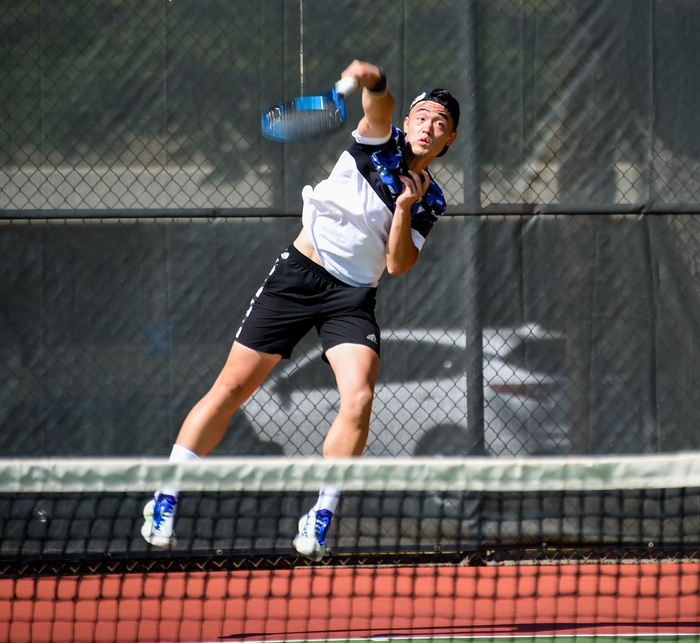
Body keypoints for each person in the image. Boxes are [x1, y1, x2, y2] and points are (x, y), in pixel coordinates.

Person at [140, 59, 460, 561]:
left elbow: (398, 265)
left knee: (359, 395)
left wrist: (402, 207)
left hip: (351, 298)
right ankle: (166, 496)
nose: (429, 126)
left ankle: (323, 513)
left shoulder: (430, 199)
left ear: (449, 141)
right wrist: (372, 81)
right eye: (424, 116)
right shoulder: (381, 140)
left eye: (441, 124)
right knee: (232, 388)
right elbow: (381, 105)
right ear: (410, 121)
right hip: (298, 277)